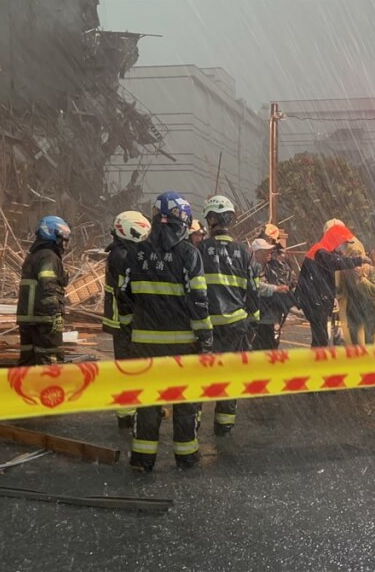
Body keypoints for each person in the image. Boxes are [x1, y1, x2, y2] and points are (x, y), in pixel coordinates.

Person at [120, 191, 212, 472]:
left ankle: (142, 460)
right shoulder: (188, 254)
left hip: (144, 344)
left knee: (147, 401)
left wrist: (129, 328)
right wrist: (204, 337)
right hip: (182, 346)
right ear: (182, 221)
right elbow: (198, 300)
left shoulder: (135, 253)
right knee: (184, 402)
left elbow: (124, 297)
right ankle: (186, 457)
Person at [198, 195, 258, 437]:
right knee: (229, 377)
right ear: (230, 219)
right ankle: (224, 427)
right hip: (235, 325)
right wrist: (252, 321)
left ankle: (194, 423)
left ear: (211, 220)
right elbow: (252, 292)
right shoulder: (243, 252)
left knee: (199, 376)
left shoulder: (199, 250)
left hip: (206, 327)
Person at [103, 210, 151, 430]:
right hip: (123, 320)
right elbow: (128, 292)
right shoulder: (121, 256)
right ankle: (127, 415)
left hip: (122, 318)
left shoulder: (120, 252)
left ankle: (131, 410)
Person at [297, 222, 371, 347]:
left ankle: (318, 361)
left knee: (321, 338)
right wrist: (358, 260)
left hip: (316, 301)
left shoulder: (323, 251)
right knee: (321, 339)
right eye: (343, 243)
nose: (343, 246)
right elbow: (335, 263)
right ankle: (318, 363)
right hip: (315, 302)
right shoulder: (320, 251)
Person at [16, 216, 70, 366]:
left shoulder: (33, 256)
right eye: (63, 239)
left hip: (28, 320)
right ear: (53, 235)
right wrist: (55, 315)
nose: (65, 244)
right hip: (44, 320)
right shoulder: (49, 257)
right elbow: (49, 287)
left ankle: (25, 389)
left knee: (28, 362)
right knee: (50, 362)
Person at [337, 239, 375, 345]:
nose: (355, 258)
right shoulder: (345, 272)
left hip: (369, 309)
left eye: (358, 255)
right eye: (352, 255)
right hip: (353, 309)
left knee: (369, 340)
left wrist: (362, 279)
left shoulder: (370, 270)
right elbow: (341, 290)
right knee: (354, 340)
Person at [251, 238, 292, 350]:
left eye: (269, 251)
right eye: (265, 251)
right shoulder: (252, 268)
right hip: (257, 319)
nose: (269, 253)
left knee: (270, 347)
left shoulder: (271, 268)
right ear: (257, 253)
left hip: (269, 317)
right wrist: (276, 288)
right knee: (259, 349)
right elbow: (256, 286)